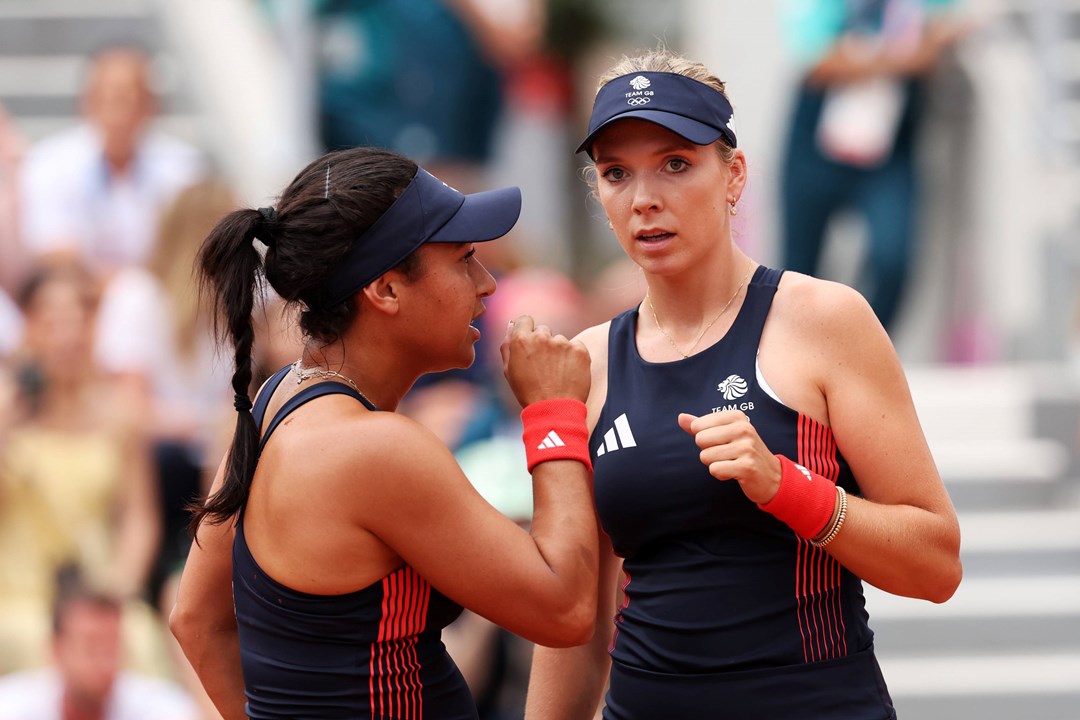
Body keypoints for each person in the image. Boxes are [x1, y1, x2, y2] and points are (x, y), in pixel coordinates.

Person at [525, 49, 963, 719]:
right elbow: (575, 627)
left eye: (675, 164)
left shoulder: (823, 320)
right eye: (617, 173)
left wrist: (789, 488)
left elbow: (935, 565)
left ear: (734, 176)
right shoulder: (586, 362)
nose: (644, 199)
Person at [169, 146, 599, 720]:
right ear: (386, 290)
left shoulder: (276, 400)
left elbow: (194, 620)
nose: (488, 283)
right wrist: (553, 409)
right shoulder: (376, 450)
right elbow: (566, 609)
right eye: (465, 258)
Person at [0, 263, 163, 676]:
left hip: (97, 587)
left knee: (137, 638)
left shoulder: (120, 415)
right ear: (30, 328)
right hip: (19, 593)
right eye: (51, 322)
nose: (66, 336)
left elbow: (138, 519)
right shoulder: (8, 412)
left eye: (78, 321)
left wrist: (120, 587)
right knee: (28, 640)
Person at [779, 0, 965, 331]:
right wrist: (903, 58)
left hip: (890, 144)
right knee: (799, 271)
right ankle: (801, 360)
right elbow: (815, 61)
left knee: (894, 260)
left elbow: (955, 24)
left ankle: (861, 354)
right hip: (816, 139)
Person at [18, 44, 204, 277]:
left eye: (129, 96)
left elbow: (190, 249)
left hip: (162, 296)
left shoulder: (184, 167)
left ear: (151, 104)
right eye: (108, 96)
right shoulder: (48, 162)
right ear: (87, 100)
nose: (118, 109)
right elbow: (50, 248)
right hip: (78, 301)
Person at [0, 565, 197, 720]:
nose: (103, 661)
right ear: (55, 649)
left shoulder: (164, 708)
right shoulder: (9, 707)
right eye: (90, 647)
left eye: (111, 647)